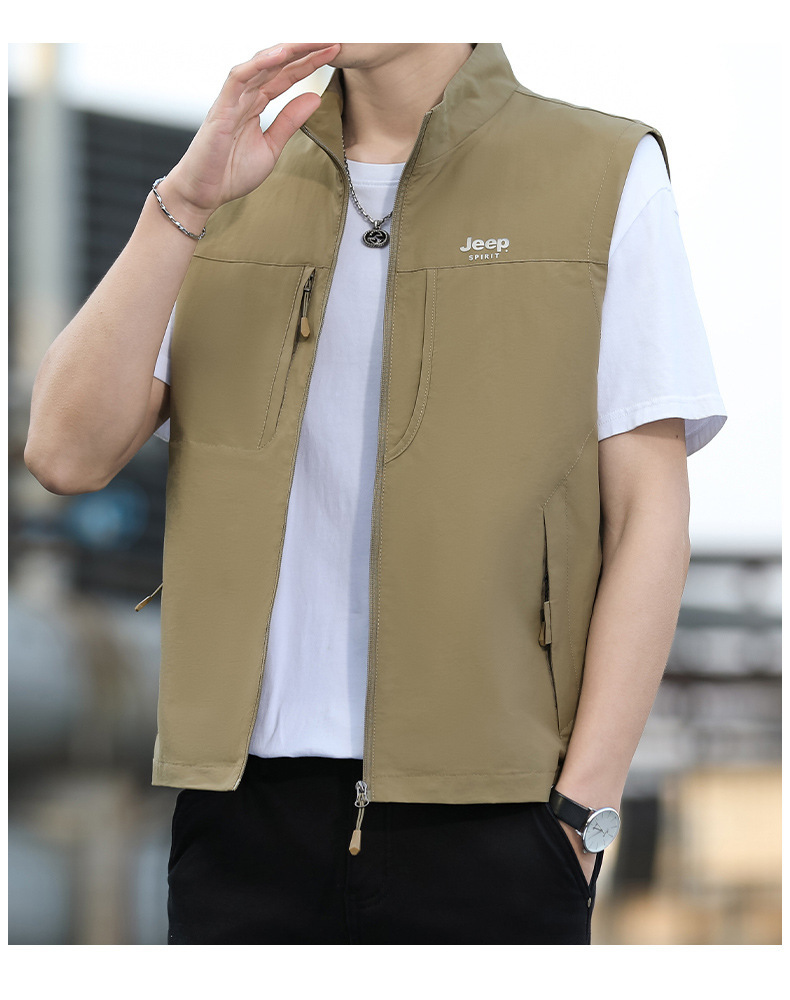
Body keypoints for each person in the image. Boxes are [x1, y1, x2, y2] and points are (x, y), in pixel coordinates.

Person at [25, 42, 727, 945]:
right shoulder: (233, 183)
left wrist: (580, 812)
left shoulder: (602, 172)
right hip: (242, 813)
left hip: (499, 813)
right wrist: (186, 204)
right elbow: (64, 453)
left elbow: (648, 519)